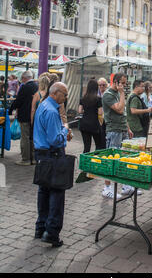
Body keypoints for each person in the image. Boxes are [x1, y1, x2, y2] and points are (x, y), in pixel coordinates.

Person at [33, 82, 72, 247]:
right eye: (64, 94)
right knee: (56, 191)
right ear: (55, 93)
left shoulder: (44, 106)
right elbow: (55, 139)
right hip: (52, 154)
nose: (65, 98)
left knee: (44, 190)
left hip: (42, 154)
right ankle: (52, 232)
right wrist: (65, 129)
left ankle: (41, 227)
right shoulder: (51, 111)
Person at [102, 73, 135, 199]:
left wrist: (127, 128)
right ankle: (107, 188)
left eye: (125, 83)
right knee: (111, 159)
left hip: (122, 130)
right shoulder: (108, 95)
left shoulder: (117, 93)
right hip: (114, 131)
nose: (124, 85)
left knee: (123, 158)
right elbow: (120, 109)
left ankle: (125, 186)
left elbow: (123, 114)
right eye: (123, 82)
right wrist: (122, 93)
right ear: (115, 82)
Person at [9, 70, 38, 165]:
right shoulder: (36, 86)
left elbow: (18, 100)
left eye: (22, 78)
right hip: (34, 116)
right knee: (32, 137)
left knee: (25, 137)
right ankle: (33, 158)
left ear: (25, 78)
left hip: (25, 115)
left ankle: (25, 159)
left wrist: (11, 109)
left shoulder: (25, 87)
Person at [78, 79, 104, 153]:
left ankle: (84, 162)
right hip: (94, 124)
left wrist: (86, 111)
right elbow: (100, 113)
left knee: (86, 147)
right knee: (98, 146)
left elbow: (80, 111)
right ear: (96, 88)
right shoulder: (98, 99)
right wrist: (101, 124)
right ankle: (95, 161)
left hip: (84, 124)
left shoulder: (83, 98)